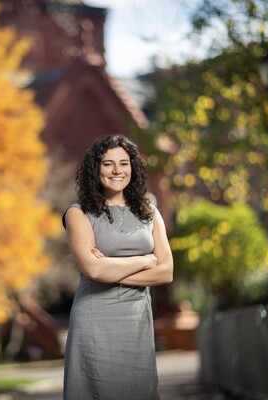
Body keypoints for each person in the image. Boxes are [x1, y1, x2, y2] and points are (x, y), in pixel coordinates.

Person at [62, 135, 174, 400]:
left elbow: (166, 271)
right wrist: (145, 261)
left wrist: (113, 268)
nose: (117, 171)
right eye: (108, 163)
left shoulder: (150, 211)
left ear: (132, 168)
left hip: (136, 321)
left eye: (124, 163)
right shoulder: (78, 214)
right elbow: (95, 271)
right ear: (95, 168)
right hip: (94, 320)